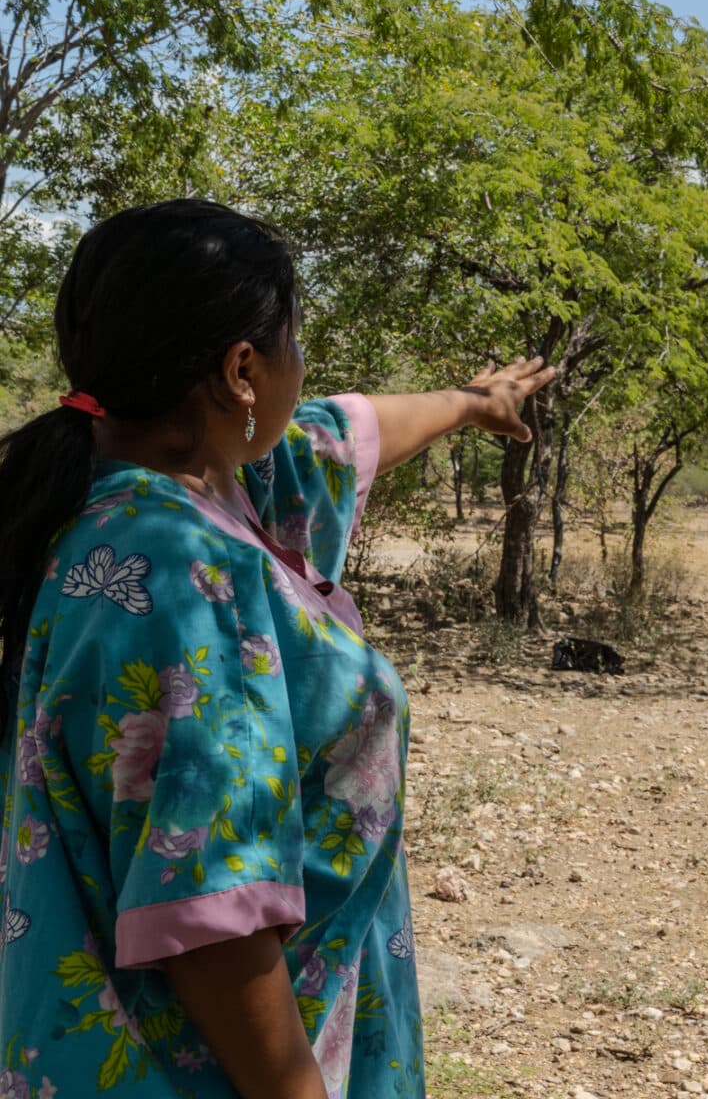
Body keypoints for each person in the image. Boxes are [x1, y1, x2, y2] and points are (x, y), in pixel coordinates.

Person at [0, 199, 554, 1098]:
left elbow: (351, 428)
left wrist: (469, 403)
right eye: (297, 342)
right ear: (242, 367)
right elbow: (211, 916)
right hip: (202, 1063)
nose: (308, 372)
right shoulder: (176, 572)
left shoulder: (182, 484)